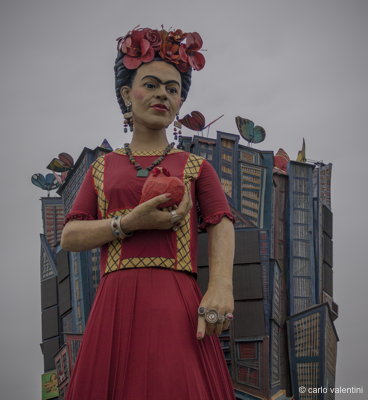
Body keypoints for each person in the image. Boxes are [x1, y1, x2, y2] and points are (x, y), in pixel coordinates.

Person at [61, 27, 236, 400]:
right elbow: (70, 236)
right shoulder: (102, 167)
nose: (163, 95)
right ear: (127, 94)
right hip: (117, 300)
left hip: (177, 300)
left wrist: (221, 285)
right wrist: (127, 223)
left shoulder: (196, 166)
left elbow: (220, 222)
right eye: (152, 84)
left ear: (179, 103)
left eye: (173, 89)